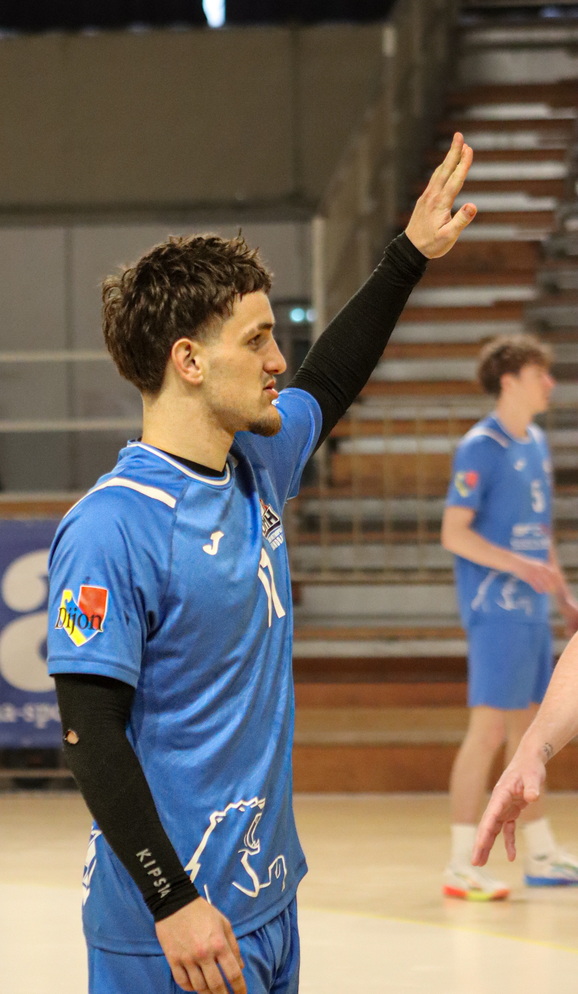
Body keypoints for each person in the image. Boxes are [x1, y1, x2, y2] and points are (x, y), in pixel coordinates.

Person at [47, 134, 475, 994]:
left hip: (267, 906)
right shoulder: (111, 527)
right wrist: (173, 903)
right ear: (190, 361)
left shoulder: (258, 463)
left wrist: (409, 255)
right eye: (258, 340)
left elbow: (332, 378)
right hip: (172, 933)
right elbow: (90, 736)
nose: (280, 360)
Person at [441, 334, 578, 901]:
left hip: (531, 612)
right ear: (509, 380)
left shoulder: (536, 442)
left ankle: (540, 853)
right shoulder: (481, 446)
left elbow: (541, 534)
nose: (550, 383)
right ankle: (459, 863)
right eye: (539, 373)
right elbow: (454, 533)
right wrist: (519, 566)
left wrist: (564, 596)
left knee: (530, 732)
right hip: (494, 609)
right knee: (489, 732)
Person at [472, 631, 578, 870]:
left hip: (531, 619)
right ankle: (461, 858)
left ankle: (542, 851)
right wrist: (532, 751)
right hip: (504, 618)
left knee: (515, 720)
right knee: (490, 730)